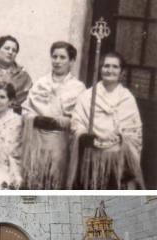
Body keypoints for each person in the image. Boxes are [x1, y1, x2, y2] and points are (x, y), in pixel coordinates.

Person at [67, 51, 145, 190]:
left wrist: (120, 139)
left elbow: (135, 134)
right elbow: (76, 122)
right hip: (92, 158)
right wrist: (84, 135)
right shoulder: (87, 96)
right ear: (100, 69)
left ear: (122, 72)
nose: (110, 70)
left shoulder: (127, 99)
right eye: (106, 66)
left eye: (115, 67)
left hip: (117, 160)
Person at [22, 42, 86, 189]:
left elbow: (79, 118)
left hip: (60, 140)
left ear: (71, 61)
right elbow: (26, 109)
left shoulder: (78, 87)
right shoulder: (40, 83)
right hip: (37, 139)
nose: (57, 61)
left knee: (55, 180)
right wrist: (35, 118)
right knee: (35, 179)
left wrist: (62, 121)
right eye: (54, 56)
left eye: (62, 57)